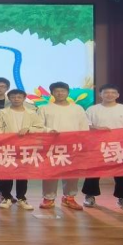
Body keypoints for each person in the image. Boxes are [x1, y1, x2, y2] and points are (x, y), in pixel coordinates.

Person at [82, 84, 123, 212]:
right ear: (100, 94)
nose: (109, 95)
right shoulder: (92, 109)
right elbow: (84, 126)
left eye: (113, 92)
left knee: (121, 174)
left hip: (120, 145)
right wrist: (95, 128)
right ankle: (90, 196)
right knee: (93, 172)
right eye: (106, 92)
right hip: (97, 145)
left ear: (118, 95)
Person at [38, 82, 89, 210]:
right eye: (57, 91)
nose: (60, 93)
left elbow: (84, 126)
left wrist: (83, 142)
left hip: (73, 145)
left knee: (72, 172)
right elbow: (38, 126)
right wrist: (49, 130)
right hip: (52, 146)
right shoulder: (44, 108)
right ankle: (48, 198)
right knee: (50, 172)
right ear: (52, 93)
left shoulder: (77, 108)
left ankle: (69, 197)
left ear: (68, 92)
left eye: (63, 90)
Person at [0, 89, 43, 211]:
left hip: (25, 147)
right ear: (9, 98)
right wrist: (4, 142)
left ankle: (21, 198)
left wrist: (29, 129)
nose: (16, 99)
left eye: (19, 97)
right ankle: (6, 197)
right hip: (7, 147)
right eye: (13, 97)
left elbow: (40, 127)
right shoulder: (2, 113)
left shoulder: (32, 113)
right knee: (6, 173)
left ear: (24, 98)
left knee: (23, 173)